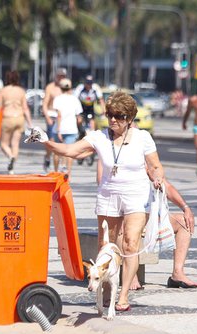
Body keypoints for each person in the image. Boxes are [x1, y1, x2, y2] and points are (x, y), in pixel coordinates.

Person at [32, 91, 164, 312]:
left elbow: (156, 165)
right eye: (110, 114)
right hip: (108, 194)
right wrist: (46, 141)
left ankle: (122, 296)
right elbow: (70, 150)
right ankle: (106, 289)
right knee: (107, 245)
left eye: (119, 116)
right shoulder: (99, 137)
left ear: (129, 118)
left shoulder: (143, 138)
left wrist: (157, 176)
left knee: (131, 243)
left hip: (136, 194)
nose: (113, 119)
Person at [0, 70, 33, 174]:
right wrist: (29, 123)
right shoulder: (21, 91)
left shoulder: (3, 91)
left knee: (3, 144)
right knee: (15, 144)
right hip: (19, 118)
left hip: (8, 118)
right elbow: (25, 108)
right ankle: (12, 168)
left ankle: (10, 157)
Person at [51, 78, 83, 175]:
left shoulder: (58, 99)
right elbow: (79, 118)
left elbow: (59, 115)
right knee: (69, 152)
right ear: (70, 88)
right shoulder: (75, 99)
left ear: (60, 88)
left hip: (59, 129)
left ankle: (56, 172)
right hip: (71, 129)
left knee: (57, 152)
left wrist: (59, 130)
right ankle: (67, 175)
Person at [41, 67, 67, 172]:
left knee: (63, 140)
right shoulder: (50, 87)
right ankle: (47, 156)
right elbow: (45, 104)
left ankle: (63, 164)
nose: (61, 78)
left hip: (64, 117)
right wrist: (47, 117)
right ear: (56, 76)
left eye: (63, 76)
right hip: (52, 116)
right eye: (59, 76)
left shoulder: (66, 87)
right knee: (51, 141)